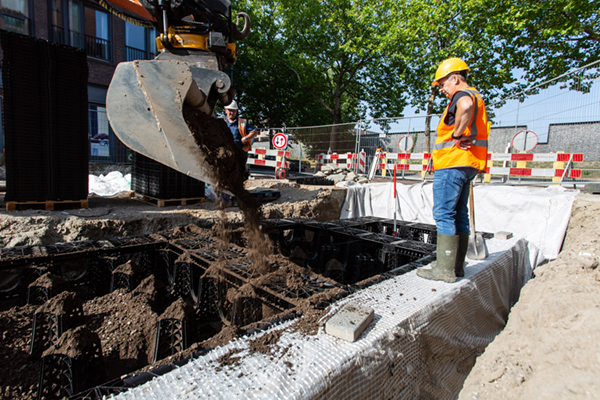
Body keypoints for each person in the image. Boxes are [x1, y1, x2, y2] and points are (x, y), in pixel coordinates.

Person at [416, 57, 489, 283]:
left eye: (443, 85)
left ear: (455, 79)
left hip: (452, 164)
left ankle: (444, 269)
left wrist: (456, 134)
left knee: (444, 213)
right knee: (459, 214)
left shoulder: (463, 96)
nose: (442, 90)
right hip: (469, 164)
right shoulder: (478, 96)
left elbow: (464, 106)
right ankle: (457, 266)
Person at [224, 100, 258, 165]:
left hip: (239, 154)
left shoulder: (242, 122)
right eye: (229, 110)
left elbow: (255, 132)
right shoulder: (222, 122)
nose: (231, 112)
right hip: (226, 154)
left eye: (233, 110)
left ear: (236, 111)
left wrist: (245, 138)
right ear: (226, 110)